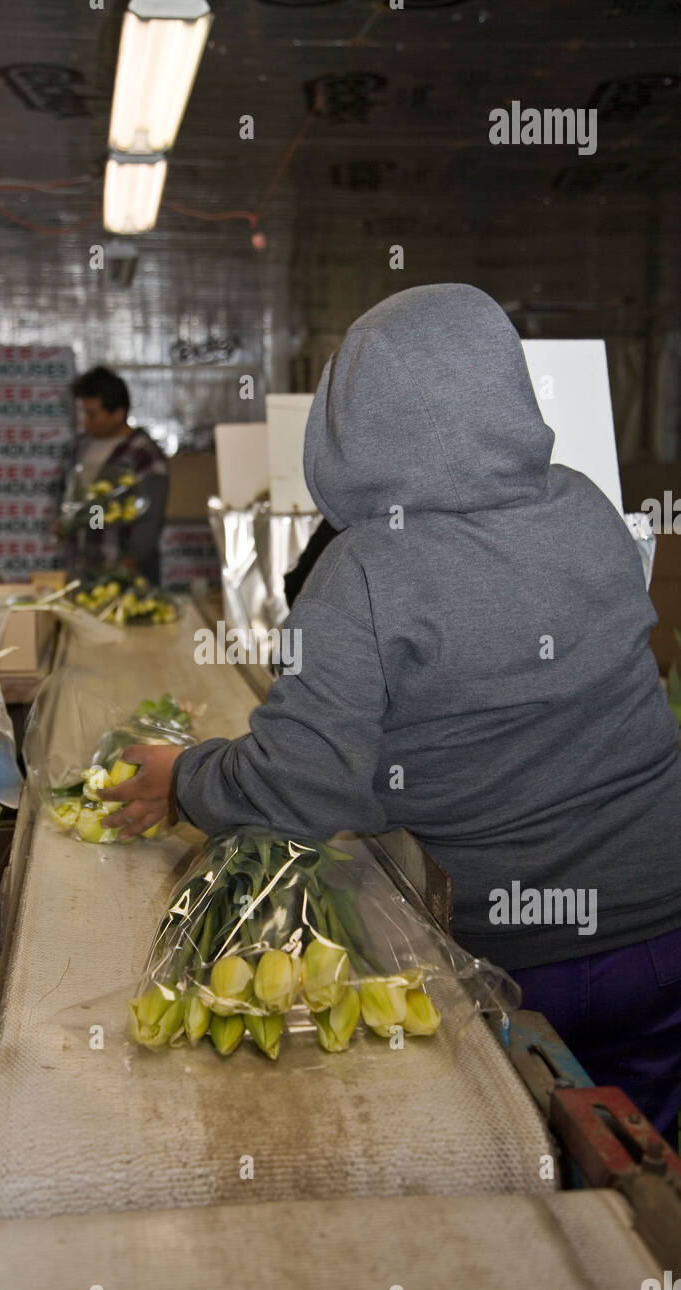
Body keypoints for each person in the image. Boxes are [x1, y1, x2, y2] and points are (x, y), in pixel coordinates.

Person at [100, 283, 681, 1147]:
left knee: (523, 1163)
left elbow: (298, 788)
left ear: (349, 422)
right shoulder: (590, 509)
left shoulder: (367, 570)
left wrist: (184, 776)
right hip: (665, 930)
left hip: (516, 962)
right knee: (643, 1169)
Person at [59, 366, 168, 584]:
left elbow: (150, 518)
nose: (85, 422)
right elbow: (67, 495)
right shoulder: (78, 447)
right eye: (83, 413)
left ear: (118, 413)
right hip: (81, 569)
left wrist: (129, 563)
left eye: (92, 415)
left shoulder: (144, 454)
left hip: (124, 574)